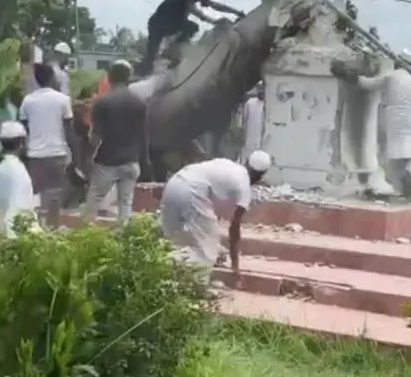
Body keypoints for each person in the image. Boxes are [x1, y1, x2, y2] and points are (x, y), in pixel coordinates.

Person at [158, 150, 272, 283]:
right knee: (206, 254)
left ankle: (156, 274)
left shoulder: (226, 164)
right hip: (193, 193)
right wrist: (235, 266)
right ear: (260, 177)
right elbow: (234, 231)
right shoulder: (244, 189)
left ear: (246, 162)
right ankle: (194, 290)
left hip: (174, 183)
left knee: (172, 240)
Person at [351, 50, 411, 199]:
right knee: (403, 154)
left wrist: (351, 76)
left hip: (394, 119)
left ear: (399, 62)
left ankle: (405, 184)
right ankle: (404, 184)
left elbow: (366, 84)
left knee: (391, 157)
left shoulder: (392, 77)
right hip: (410, 119)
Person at [139, 0, 245, 76]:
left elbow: (215, 5)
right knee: (192, 27)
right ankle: (172, 52)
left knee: (151, 59)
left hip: (165, 24)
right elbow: (193, 9)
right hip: (159, 23)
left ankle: (170, 56)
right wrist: (212, 21)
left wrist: (236, 12)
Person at [84, 60, 147, 222]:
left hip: (107, 162)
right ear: (129, 78)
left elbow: (95, 137)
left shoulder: (102, 103)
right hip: (131, 162)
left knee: (93, 202)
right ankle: (123, 240)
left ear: (110, 78)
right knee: (125, 204)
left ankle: (84, 239)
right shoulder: (140, 102)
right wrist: (145, 160)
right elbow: (143, 134)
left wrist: (90, 156)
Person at [20, 63, 74, 228]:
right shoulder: (63, 100)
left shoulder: (27, 101)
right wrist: (74, 154)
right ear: (52, 78)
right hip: (57, 153)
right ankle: (53, 227)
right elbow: (69, 129)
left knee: (36, 194)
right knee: (55, 193)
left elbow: (23, 128)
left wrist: (23, 151)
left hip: (35, 154)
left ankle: (36, 227)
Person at [0, 121, 38, 237]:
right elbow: (21, 206)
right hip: (18, 233)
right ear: (21, 143)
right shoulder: (18, 170)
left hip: (4, 229)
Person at [239, 82, 265, 163]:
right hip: (250, 138)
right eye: (259, 88)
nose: (261, 91)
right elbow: (242, 122)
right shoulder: (250, 103)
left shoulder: (270, 104)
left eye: (262, 88)